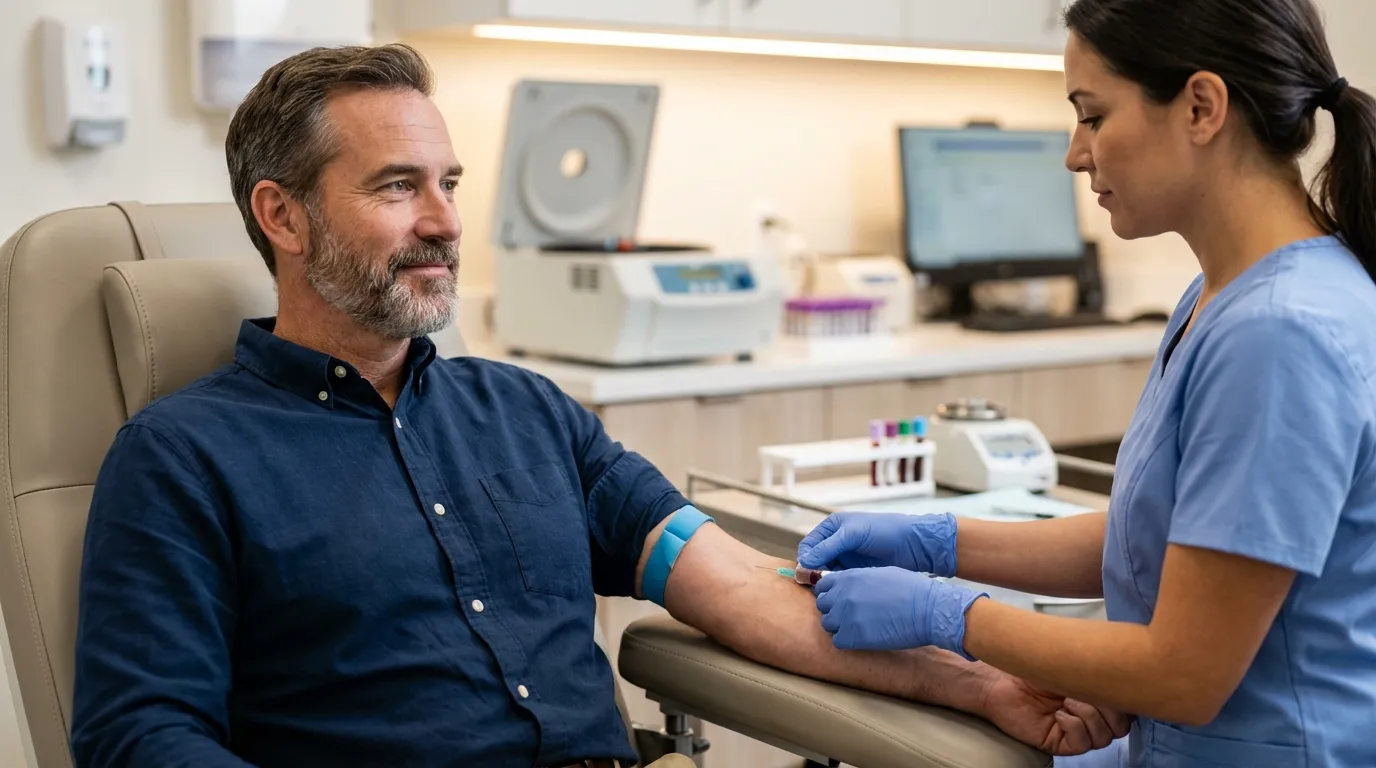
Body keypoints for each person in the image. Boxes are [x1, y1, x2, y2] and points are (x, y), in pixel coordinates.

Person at [68, 43, 1127, 768]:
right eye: (397, 188)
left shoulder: (531, 416)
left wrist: (978, 683)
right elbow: (140, 735)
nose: (444, 220)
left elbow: (750, 594)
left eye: (450, 181)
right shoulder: (181, 460)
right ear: (282, 217)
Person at [800, 0, 1376, 765]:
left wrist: (949, 614)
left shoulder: (1280, 333)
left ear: (1201, 107)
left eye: (1093, 116)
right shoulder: (1226, 294)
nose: (1075, 154)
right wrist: (941, 543)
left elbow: (1185, 672)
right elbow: (1167, 537)